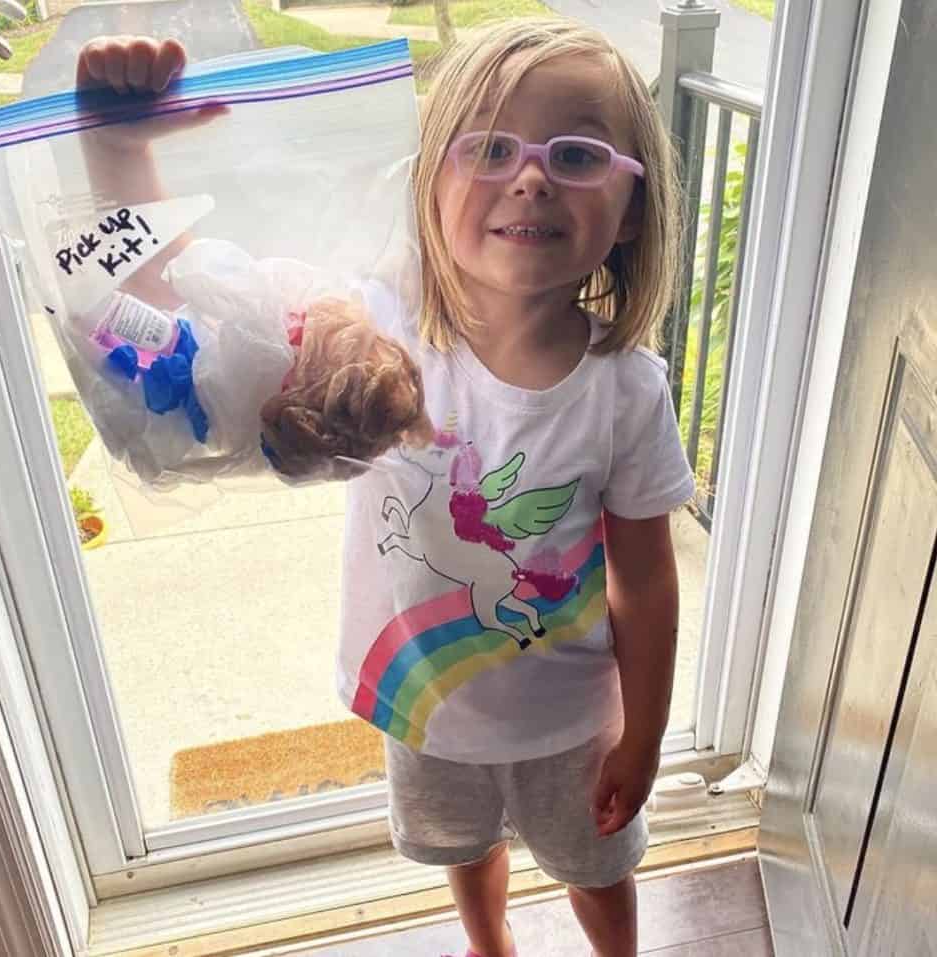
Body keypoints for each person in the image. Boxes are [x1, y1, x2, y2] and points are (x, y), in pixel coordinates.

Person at [77, 17, 694, 956]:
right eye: (488, 147)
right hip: (424, 701)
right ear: (428, 182)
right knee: (464, 846)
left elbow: (644, 583)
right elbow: (188, 321)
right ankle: (490, 946)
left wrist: (644, 735)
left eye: (575, 153)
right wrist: (119, 155)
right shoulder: (376, 328)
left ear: (635, 208)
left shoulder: (625, 391)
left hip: (573, 721)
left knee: (599, 867)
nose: (529, 176)